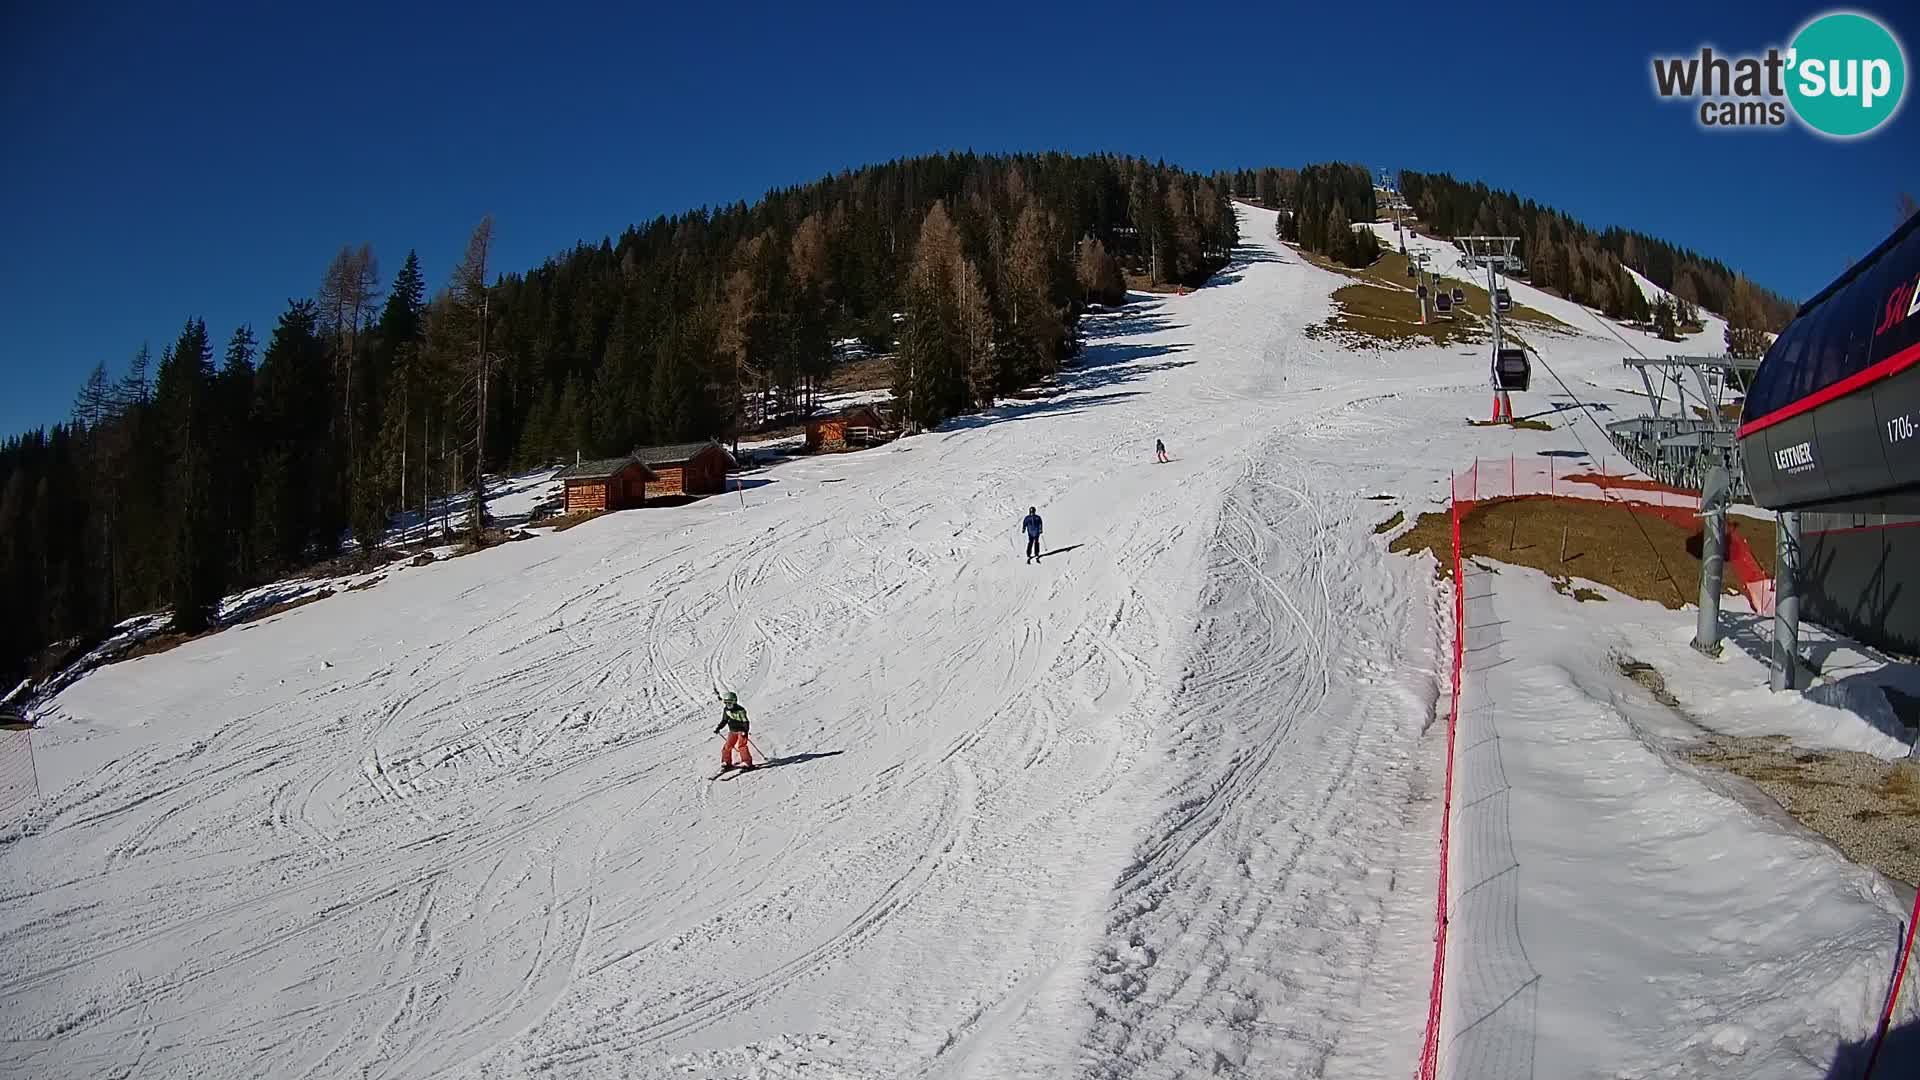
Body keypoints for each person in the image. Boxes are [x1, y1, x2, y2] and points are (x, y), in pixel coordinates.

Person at [713, 691, 754, 769]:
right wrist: (718, 728)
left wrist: (745, 731)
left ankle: (746, 761)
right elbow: (724, 720)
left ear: (734, 702)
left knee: (742, 746)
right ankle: (726, 761)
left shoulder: (740, 710)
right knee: (727, 746)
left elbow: (745, 721)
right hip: (732, 731)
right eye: (726, 703)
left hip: (741, 730)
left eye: (730, 703)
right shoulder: (726, 710)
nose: (728, 705)